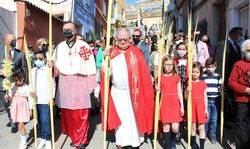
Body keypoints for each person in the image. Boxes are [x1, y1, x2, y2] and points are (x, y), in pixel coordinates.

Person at [101, 27, 154, 149]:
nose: (123, 42)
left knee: (134, 119)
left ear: (130, 39)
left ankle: (135, 143)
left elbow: (144, 74)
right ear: (116, 39)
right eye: (120, 40)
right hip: (117, 93)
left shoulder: (136, 52)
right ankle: (120, 143)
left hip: (134, 92)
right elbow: (105, 75)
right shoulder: (111, 52)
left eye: (125, 39)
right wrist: (105, 60)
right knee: (121, 121)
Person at [50, 21, 97, 149]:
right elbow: (55, 67)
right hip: (65, 83)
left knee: (81, 113)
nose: (66, 32)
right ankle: (75, 136)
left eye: (69, 29)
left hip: (80, 81)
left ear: (75, 30)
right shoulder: (59, 47)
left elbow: (90, 65)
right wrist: (51, 66)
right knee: (69, 112)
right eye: (64, 29)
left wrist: (91, 84)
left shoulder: (83, 46)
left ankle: (82, 140)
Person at [0, 34, 28, 134]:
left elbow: (24, 68)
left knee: (12, 104)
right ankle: (10, 118)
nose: (14, 42)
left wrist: (25, 82)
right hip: (2, 83)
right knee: (5, 104)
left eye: (15, 40)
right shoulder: (1, 51)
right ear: (6, 41)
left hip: (14, 84)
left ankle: (13, 123)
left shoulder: (20, 54)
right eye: (11, 40)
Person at [215, 27, 243, 125]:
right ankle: (222, 120)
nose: (240, 37)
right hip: (224, 77)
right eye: (239, 34)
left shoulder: (237, 46)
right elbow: (219, 62)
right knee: (224, 100)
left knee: (230, 99)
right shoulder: (223, 45)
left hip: (233, 78)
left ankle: (229, 117)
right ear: (232, 34)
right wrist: (220, 78)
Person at [155, 55, 184, 149]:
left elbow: (180, 92)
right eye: (167, 64)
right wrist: (156, 88)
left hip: (175, 103)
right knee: (166, 127)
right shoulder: (160, 77)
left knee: (175, 128)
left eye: (171, 64)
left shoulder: (176, 77)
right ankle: (168, 146)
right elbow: (157, 91)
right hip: (165, 103)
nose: (169, 66)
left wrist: (182, 106)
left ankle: (172, 141)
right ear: (163, 65)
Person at [228, 39, 250, 149]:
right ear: (244, 52)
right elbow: (231, 82)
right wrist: (245, 89)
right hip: (242, 100)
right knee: (241, 125)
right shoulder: (238, 64)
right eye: (249, 50)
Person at [31, 50, 56, 149]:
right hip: (36, 100)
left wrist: (52, 97)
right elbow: (30, 85)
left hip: (45, 100)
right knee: (40, 121)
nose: (38, 60)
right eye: (36, 58)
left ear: (45, 59)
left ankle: (48, 139)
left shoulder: (48, 70)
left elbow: (53, 85)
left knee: (46, 121)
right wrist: (30, 94)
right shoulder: (32, 71)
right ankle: (42, 139)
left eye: (40, 59)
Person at [4, 69, 33, 149]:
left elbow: (30, 98)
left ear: (23, 78)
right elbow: (10, 97)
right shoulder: (12, 86)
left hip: (23, 107)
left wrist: (31, 109)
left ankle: (23, 142)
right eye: (15, 80)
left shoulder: (27, 87)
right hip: (15, 107)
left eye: (18, 80)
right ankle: (23, 137)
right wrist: (7, 97)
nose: (16, 82)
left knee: (21, 124)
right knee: (18, 124)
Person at [186, 62, 208, 149]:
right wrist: (187, 91)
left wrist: (206, 109)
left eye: (197, 72)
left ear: (200, 73)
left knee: (201, 128)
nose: (195, 74)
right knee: (193, 127)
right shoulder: (188, 82)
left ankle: (202, 146)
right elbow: (186, 97)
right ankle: (193, 144)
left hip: (200, 107)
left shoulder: (203, 83)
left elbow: (205, 97)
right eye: (193, 71)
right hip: (192, 106)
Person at [202, 57, 222, 144]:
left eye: (213, 66)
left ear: (216, 66)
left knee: (214, 119)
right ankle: (204, 134)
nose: (211, 68)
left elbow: (220, 87)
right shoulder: (203, 76)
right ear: (206, 66)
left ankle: (212, 135)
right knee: (207, 119)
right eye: (209, 66)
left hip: (215, 100)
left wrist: (221, 89)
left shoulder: (218, 76)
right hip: (207, 100)